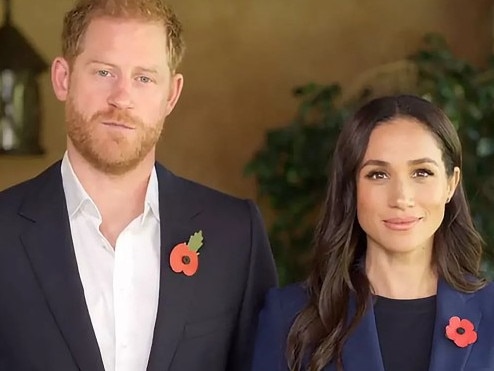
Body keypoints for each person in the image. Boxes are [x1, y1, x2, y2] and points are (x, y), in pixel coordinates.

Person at [0, 1, 277, 370]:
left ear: (171, 95)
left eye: (144, 78)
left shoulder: (235, 233)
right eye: (103, 72)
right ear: (63, 78)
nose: (122, 98)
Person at [251, 94, 494, 371]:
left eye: (422, 173)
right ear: (351, 188)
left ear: (451, 184)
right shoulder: (290, 316)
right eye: (378, 174)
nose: (402, 198)